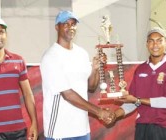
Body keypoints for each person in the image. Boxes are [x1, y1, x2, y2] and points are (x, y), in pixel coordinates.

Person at [40, 10, 114, 140]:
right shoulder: (51, 57)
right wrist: (99, 112)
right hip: (60, 131)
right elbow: (67, 95)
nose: (70, 27)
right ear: (57, 27)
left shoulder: (82, 53)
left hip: (82, 129)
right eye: (66, 24)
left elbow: (90, 87)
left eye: (73, 24)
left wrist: (95, 69)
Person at [112, 27, 166, 140]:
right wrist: (114, 115)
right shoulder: (141, 69)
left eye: (159, 40)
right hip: (142, 128)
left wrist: (137, 100)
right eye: (151, 41)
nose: (155, 44)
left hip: (165, 127)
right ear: (146, 44)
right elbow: (132, 101)